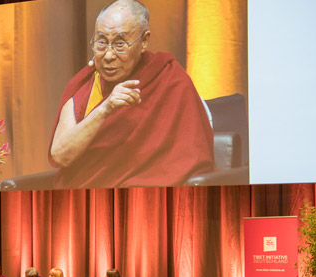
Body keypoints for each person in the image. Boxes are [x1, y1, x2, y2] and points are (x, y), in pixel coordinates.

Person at [48, 0, 213, 189]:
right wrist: (105, 109)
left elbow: (190, 158)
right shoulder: (85, 84)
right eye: (101, 43)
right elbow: (60, 156)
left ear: (144, 41)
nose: (108, 55)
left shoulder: (170, 79)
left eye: (120, 44)